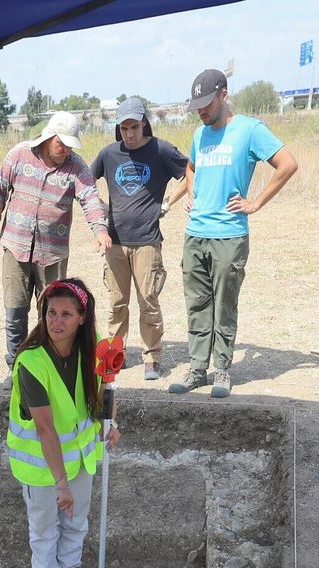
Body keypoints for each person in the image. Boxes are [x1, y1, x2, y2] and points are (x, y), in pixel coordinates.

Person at [173, 69, 298, 398]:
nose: (201, 110)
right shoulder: (200, 135)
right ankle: (197, 367)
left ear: (224, 95)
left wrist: (256, 202)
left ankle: (222, 369)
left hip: (229, 234)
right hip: (195, 232)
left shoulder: (250, 130)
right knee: (197, 304)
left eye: (206, 103)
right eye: (196, 105)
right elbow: (191, 167)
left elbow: (287, 164)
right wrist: (191, 194)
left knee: (224, 304)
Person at [7, 279, 121, 568]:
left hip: (82, 458)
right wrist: (61, 486)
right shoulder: (31, 362)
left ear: (83, 318)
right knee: (44, 525)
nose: (56, 321)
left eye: (66, 314)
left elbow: (106, 394)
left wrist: (110, 424)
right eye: (50, 312)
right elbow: (45, 429)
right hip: (41, 465)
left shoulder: (97, 349)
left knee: (76, 522)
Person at [0, 111, 111, 382]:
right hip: (15, 247)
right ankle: (15, 368)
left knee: (52, 316)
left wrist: (100, 230)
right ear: (49, 136)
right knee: (15, 312)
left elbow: (90, 198)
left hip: (52, 254)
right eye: (61, 143)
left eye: (70, 145)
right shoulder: (18, 155)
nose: (65, 149)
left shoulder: (76, 167)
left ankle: (48, 369)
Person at [90, 97, 189, 381]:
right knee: (117, 302)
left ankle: (152, 357)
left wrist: (168, 203)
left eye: (134, 127)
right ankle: (113, 354)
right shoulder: (109, 154)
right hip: (115, 241)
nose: (130, 134)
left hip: (147, 240)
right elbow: (85, 181)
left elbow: (189, 172)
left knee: (148, 299)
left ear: (144, 123)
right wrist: (98, 210)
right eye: (124, 128)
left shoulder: (161, 150)